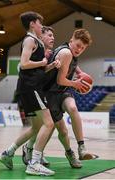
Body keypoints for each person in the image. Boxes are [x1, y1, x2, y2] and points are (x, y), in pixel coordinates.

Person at [22, 27, 98, 167]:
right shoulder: (66, 53)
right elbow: (60, 80)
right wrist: (75, 84)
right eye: (77, 46)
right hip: (50, 93)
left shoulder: (71, 52)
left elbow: (72, 65)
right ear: (71, 41)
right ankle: (68, 153)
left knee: (73, 108)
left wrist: (80, 73)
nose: (79, 49)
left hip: (62, 91)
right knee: (61, 131)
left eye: (82, 48)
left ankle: (81, 148)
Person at [0, 11, 56, 176]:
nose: (41, 26)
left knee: (36, 127)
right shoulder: (30, 39)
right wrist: (42, 62)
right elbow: (23, 64)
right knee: (49, 123)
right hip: (31, 87)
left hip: (31, 86)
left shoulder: (35, 41)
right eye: (39, 23)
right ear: (32, 24)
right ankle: (34, 163)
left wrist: (49, 66)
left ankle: (7, 153)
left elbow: (38, 68)